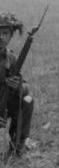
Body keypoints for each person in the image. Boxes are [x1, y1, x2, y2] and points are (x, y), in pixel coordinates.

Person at [0, 13, 34, 157]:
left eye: (5, 33)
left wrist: (18, 85)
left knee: (27, 100)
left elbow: (25, 88)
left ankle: (16, 146)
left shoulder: (11, 58)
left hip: (3, 104)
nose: (1, 37)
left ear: (10, 36)